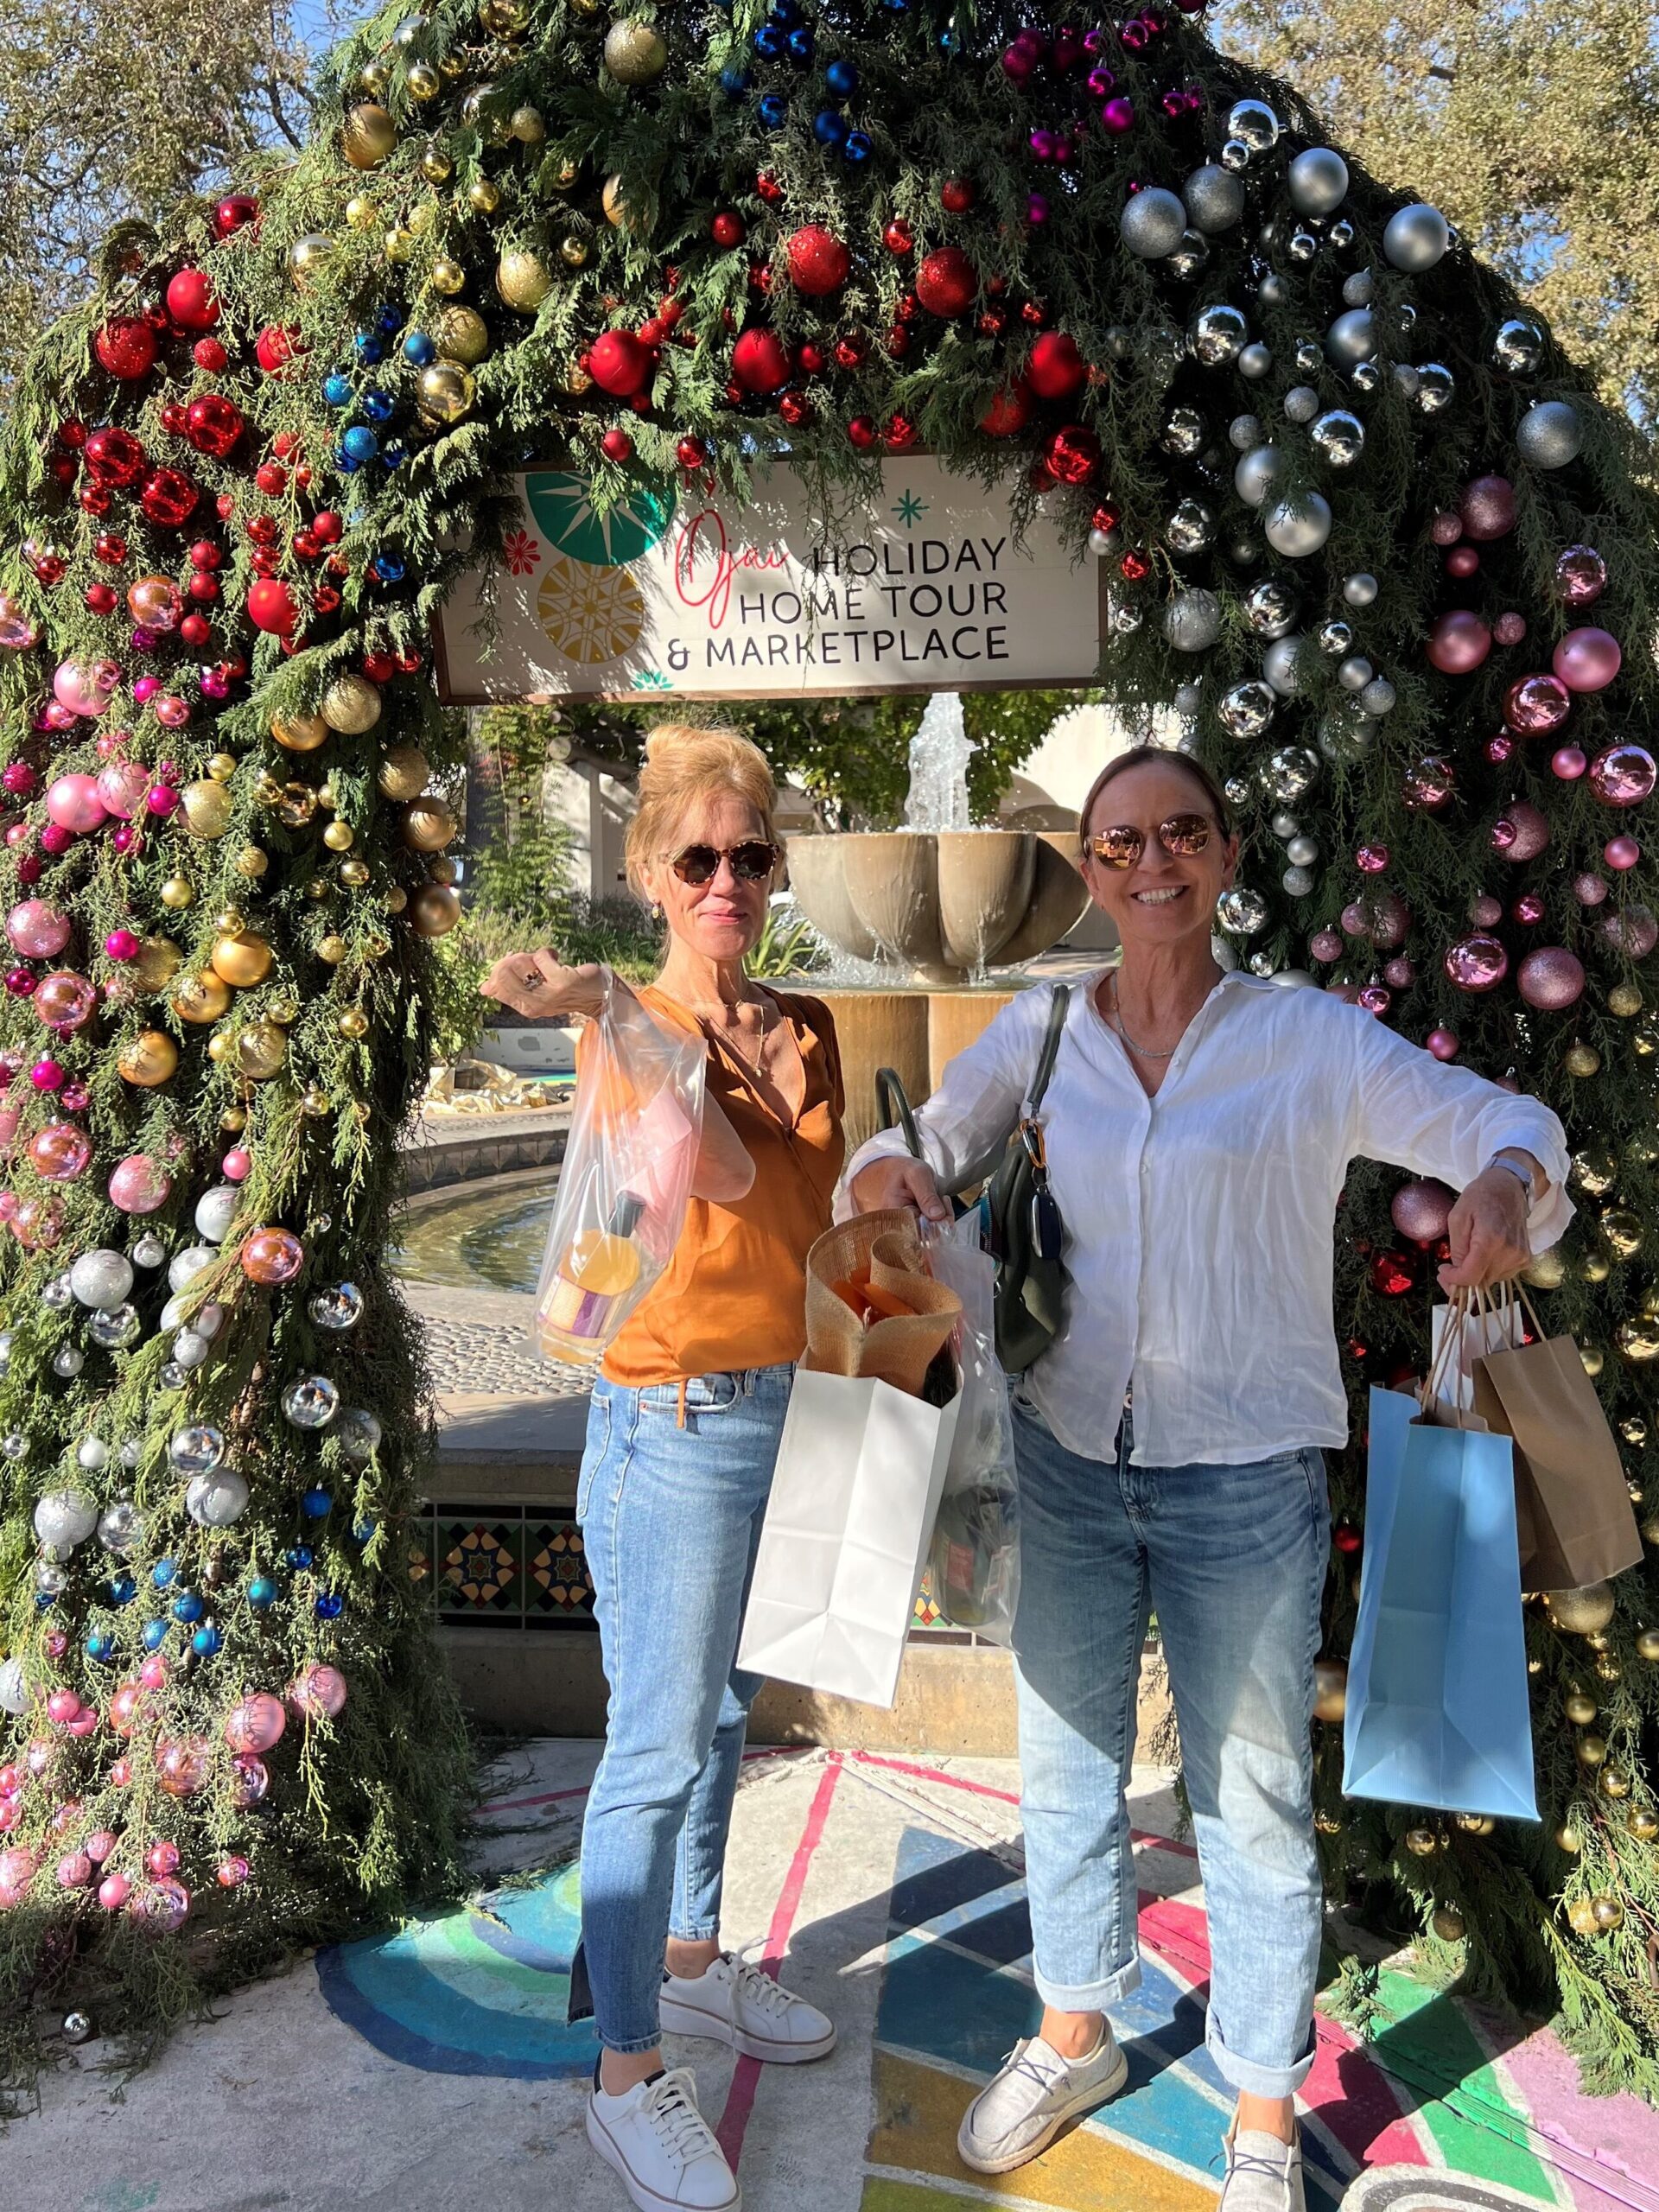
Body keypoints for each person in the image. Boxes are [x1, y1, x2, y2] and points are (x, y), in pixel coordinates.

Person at [843, 744, 1571, 2212]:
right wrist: (884, 1179)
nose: (1151, 862)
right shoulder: (1043, 1030)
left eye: (1182, 833)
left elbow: (1508, 1127)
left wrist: (1500, 1185)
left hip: (1245, 1478)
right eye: (1121, 843)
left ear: (1227, 856)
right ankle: (1073, 2029)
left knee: (1247, 1793)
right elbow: (910, 1148)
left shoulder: (1305, 1039)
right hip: (1062, 1459)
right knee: (1066, 1764)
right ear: (1092, 870)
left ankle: (1256, 2103)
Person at [483, 725, 844, 2212]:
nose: (726, 880)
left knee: (725, 1709)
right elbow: (709, 1165)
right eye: (695, 857)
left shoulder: (811, 1023)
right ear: (647, 873)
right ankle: (626, 2074)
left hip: (795, 1408)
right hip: (677, 1424)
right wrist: (600, 1000)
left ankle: (691, 1965)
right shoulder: (624, 1034)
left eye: (748, 855)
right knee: (653, 1748)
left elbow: (810, 1212)